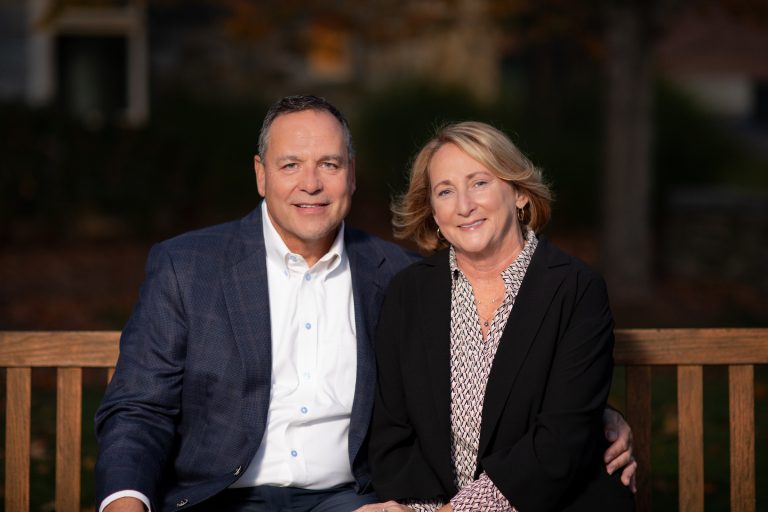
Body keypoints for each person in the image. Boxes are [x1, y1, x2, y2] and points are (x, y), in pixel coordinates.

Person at [95, 97, 635, 512]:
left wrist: (593, 415)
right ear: (260, 174)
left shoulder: (391, 277)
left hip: (351, 502)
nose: (311, 183)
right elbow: (139, 406)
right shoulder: (188, 267)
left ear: (351, 174)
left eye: (329, 163)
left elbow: (512, 378)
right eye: (290, 165)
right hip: (221, 498)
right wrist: (126, 499)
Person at [359, 122, 636, 512]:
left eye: (479, 183)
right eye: (445, 191)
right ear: (434, 211)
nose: (464, 205)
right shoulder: (408, 294)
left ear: (519, 193)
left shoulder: (576, 290)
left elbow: (561, 440)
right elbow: (392, 437)